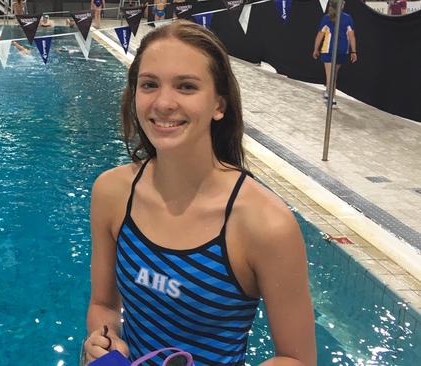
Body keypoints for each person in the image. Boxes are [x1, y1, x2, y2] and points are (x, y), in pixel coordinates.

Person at [83, 20, 316, 366]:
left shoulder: (264, 223)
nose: (163, 103)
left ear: (219, 105)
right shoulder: (112, 192)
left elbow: (297, 359)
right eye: (149, 85)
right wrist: (103, 341)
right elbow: (103, 305)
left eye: (186, 87)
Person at [313, 0, 357, 108]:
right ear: (342, 6)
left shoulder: (326, 18)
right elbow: (352, 36)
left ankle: (332, 100)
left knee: (330, 76)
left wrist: (315, 49)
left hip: (329, 50)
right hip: (342, 51)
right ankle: (329, 93)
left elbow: (320, 35)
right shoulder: (348, 18)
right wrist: (354, 51)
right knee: (333, 75)